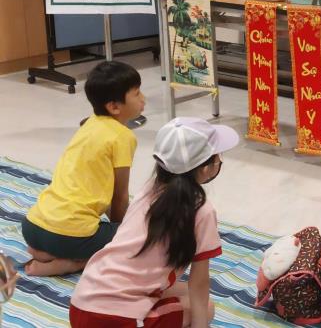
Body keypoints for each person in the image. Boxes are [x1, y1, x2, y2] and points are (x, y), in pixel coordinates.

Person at [70, 117, 239, 328]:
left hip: (81, 303)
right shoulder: (201, 210)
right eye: (217, 156)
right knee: (206, 309)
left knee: (182, 290)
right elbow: (200, 282)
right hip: (117, 320)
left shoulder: (150, 188)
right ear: (205, 168)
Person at [21, 61, 144, 276]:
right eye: (136, 94)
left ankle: (45, 252)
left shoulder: (89, 123)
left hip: (33, 226)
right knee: (141, 237)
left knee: (73, 235)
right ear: (114, 106)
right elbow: (119, 197)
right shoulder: (123, 137)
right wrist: (120, 235)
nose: (143, 99)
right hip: (69, 234)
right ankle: (74, 263)